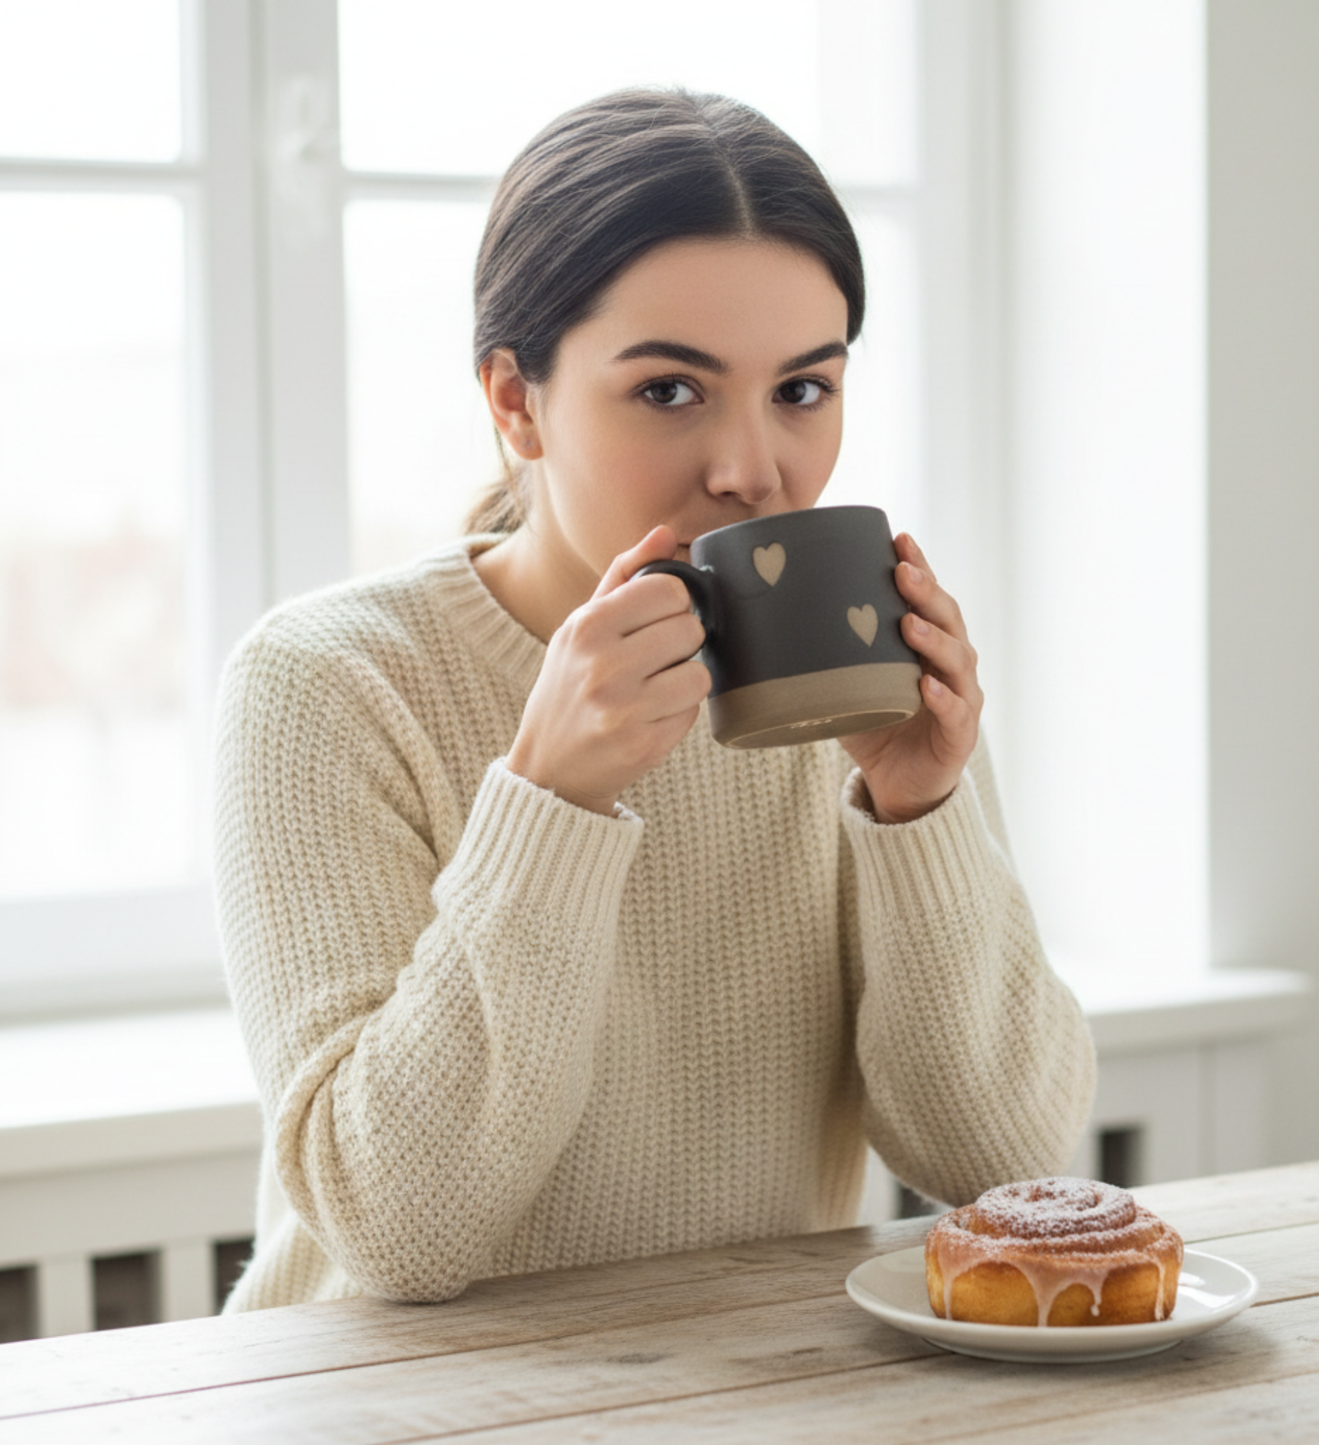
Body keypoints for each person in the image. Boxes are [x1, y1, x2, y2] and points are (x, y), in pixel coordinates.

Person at [214, 88, 1095, 1312]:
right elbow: (397, 1232)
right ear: (514, 400)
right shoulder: (329, 679)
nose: (751, 470)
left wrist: (918, 808)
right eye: (670, 390)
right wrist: (548, 799)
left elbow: (995, 1165)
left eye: (801, 390)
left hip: (738, 1391)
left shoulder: (850, 674)